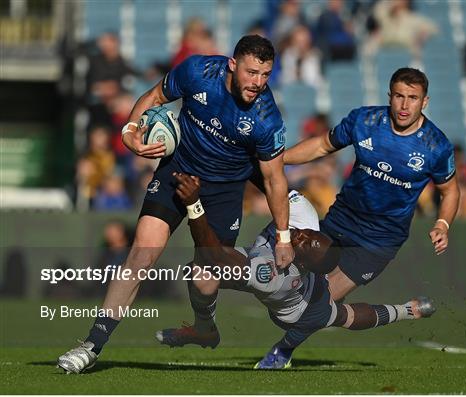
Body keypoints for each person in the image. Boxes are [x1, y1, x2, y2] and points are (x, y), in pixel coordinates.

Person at [57, 35, 294, 374]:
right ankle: (91, 346)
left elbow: (274, 180)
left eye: (265, 75)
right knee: (140, 254)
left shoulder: (267, 118)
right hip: (177, 173)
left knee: (204, 281)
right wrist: (129, 131)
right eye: (252, 72)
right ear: (232, 64)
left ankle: (204, 327)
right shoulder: (198, 71)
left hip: (224, 192)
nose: (257, 83)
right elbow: (154, 96)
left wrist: (284, 237)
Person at [155, 174, 436, 369]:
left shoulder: (275, 275)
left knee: (342, 316)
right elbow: (269, 180)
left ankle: (406, 310)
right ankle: (205, 330)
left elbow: (215, 256)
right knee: (199, 272)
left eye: (300, 243)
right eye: (304, 234)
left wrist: (194, 204)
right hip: (260, 261)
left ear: (298, 262)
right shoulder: (305, 215)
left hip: (296, 312)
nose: (297, 235)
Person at [283, 67, 460, 308]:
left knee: (314, 306)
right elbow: (322, 146)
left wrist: (442, 224)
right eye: (399, 96)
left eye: (413, 98)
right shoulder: (365, 121)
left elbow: (449, 190)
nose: (404, 105)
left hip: (379, 239)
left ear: (425, 101)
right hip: (340, 220)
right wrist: (278, 159)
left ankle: (404, 312)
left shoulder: (436, 146)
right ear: (390, 96)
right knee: (286, 286)